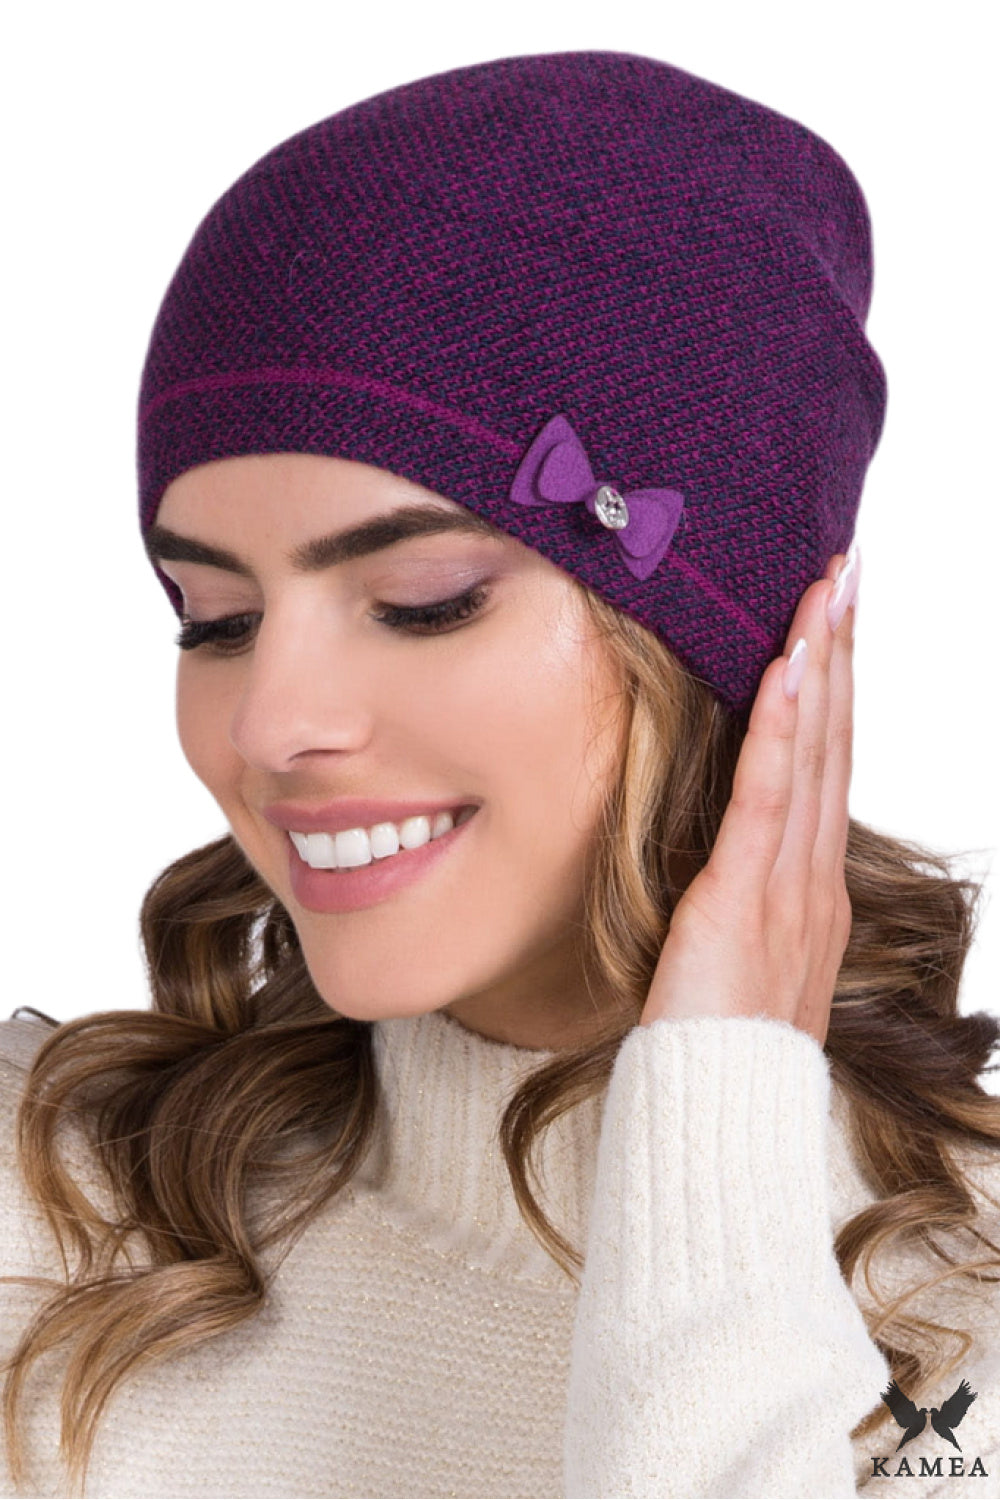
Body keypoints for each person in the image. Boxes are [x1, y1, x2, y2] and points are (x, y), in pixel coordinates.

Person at [1, 47, 998, 1500]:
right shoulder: (46, 1212)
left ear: (733, 638)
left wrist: (720, 1129)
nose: (269, 722)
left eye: (424, 601)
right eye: (214, 620)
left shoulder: (965, 1322)